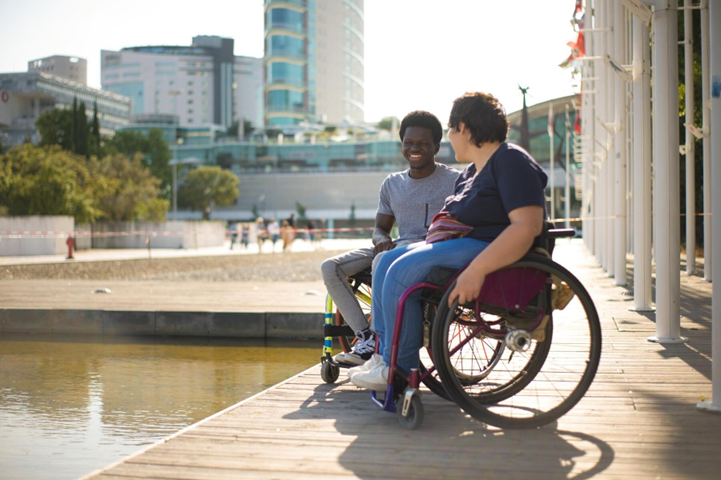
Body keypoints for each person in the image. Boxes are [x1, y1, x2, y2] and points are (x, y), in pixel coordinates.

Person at [349, 92, 548, 391]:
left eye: (452, 130)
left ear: (464, 129)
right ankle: (384, 356)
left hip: (487, 247)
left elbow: (527, 226)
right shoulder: (472, 172)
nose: (451, 138)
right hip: (465, 244)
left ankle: (398, 366)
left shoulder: (509, 160)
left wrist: (476, 270)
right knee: (387, 260)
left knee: (402, 270)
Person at [321, 111, 459, 366]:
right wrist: (380, 239)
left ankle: (377, 339)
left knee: (384, 259)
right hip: (397, 245)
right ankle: (366, 336)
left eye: (422, 143)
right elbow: (380, 228)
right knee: (330, 267)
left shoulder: (455, 181)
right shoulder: (392, 183)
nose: (414, 148)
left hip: (430, 251)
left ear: (437, 147)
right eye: (409, 143)